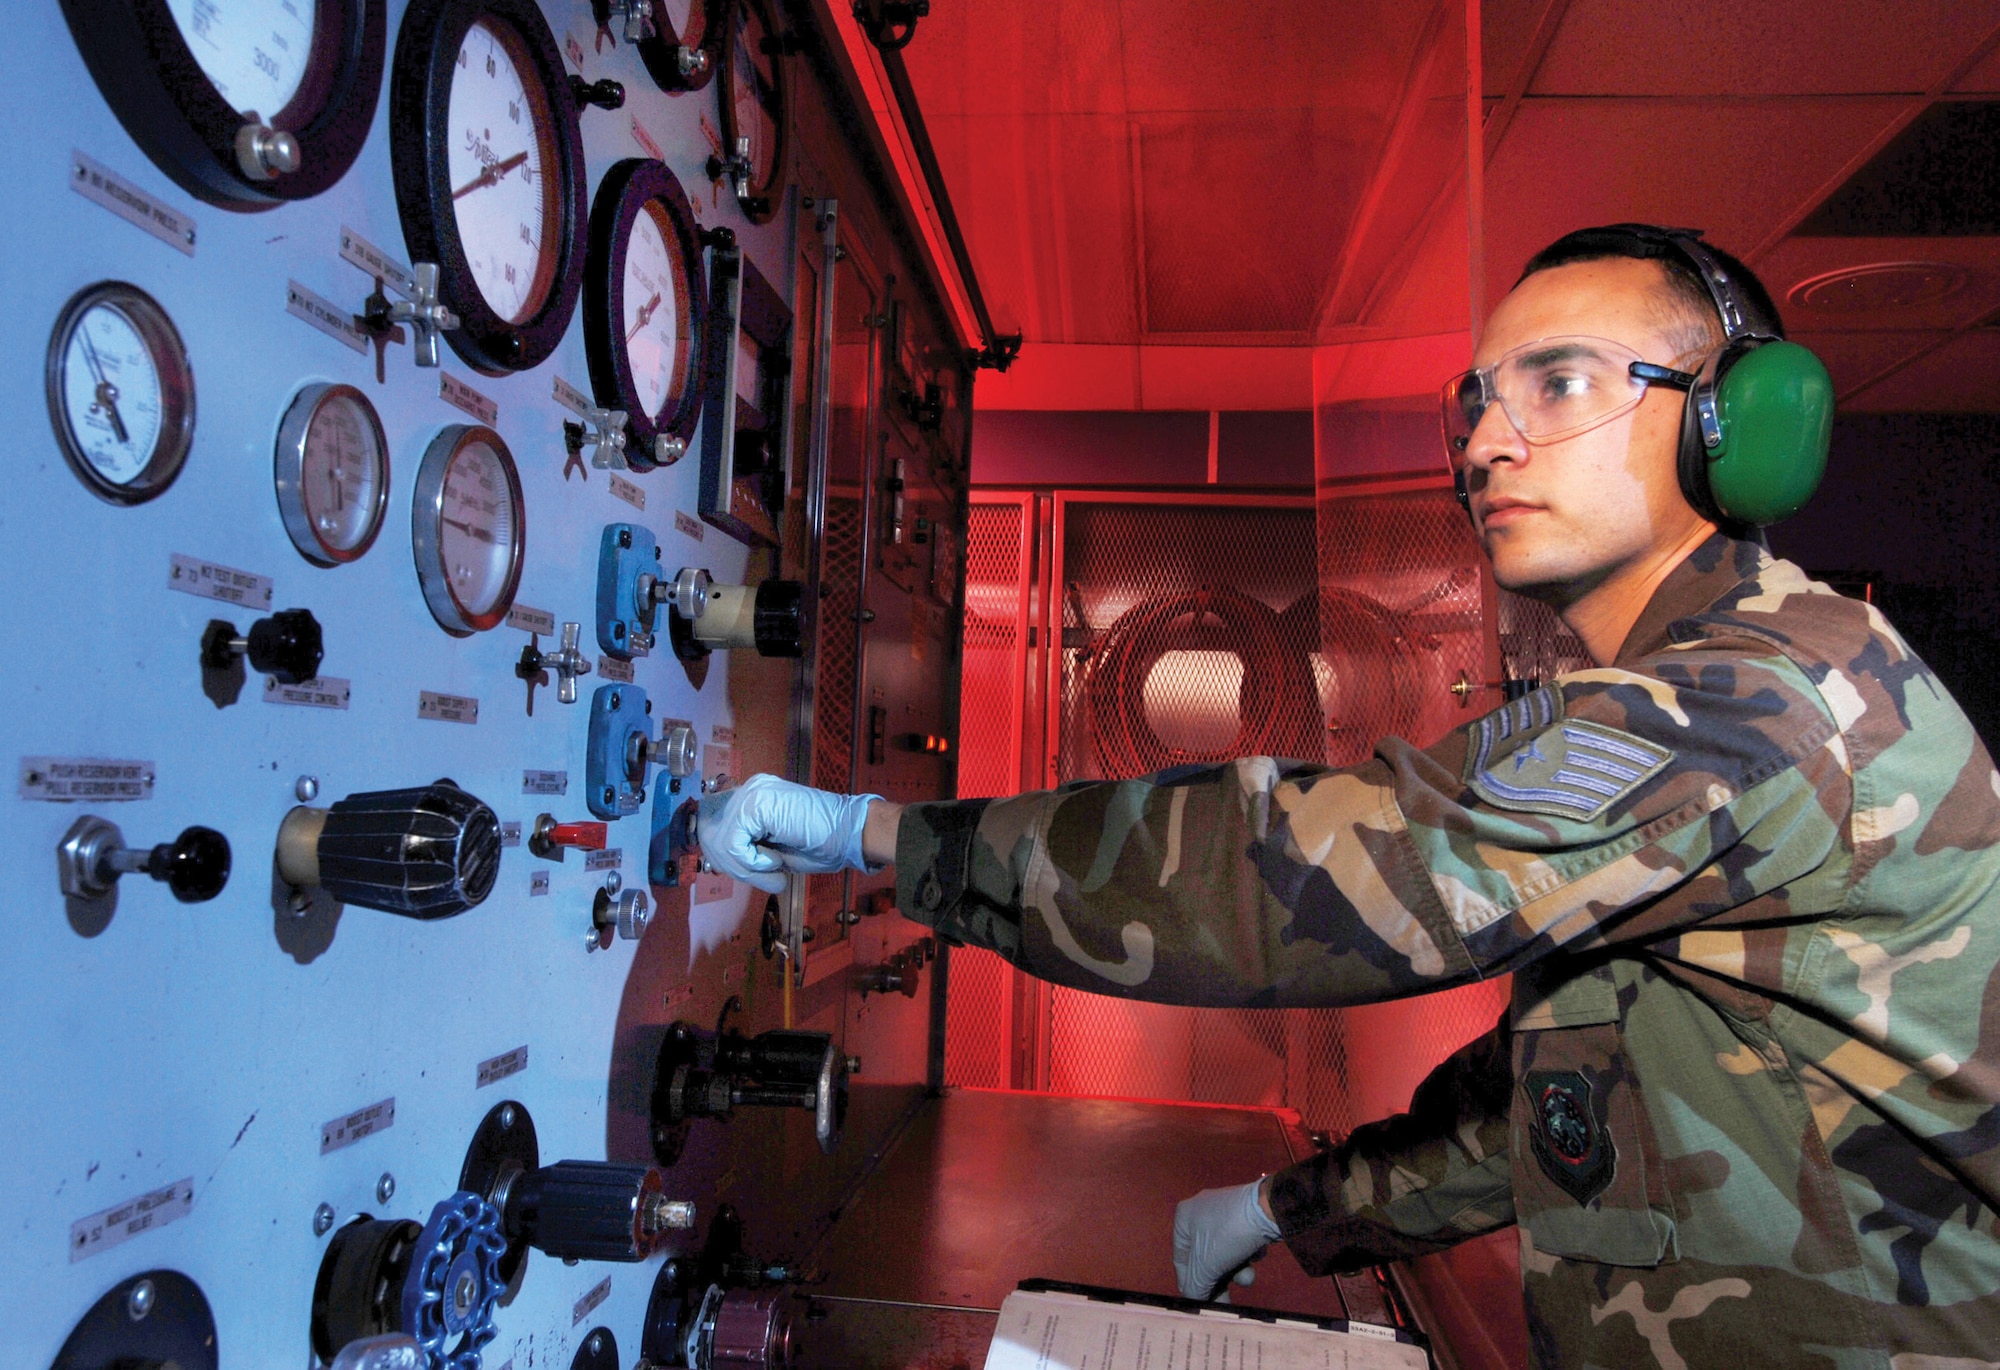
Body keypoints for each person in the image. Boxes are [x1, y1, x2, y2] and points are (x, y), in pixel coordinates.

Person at [697, 224, 2000, 1365]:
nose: (1489, 442)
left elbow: (1298, 875)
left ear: (1737, 424)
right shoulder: (1736, 688)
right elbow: (1588, 1093)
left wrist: (878, 834)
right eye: (1478, 401)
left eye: (1558, 385)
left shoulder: (1765, 703)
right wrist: (1295, 1206)